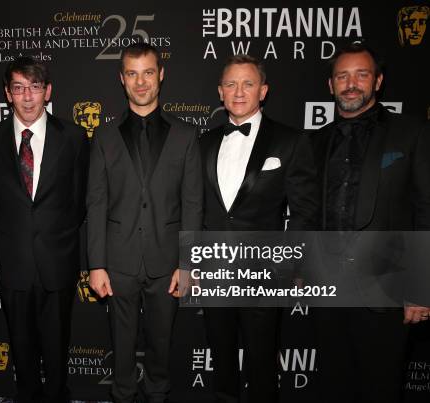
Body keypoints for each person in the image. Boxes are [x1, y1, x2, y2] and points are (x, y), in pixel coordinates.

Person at [310, 42, 430, 403]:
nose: (351, 84)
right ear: (330, 86)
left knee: (380, 389)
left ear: (377, 82)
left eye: (361, 75)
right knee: (332, 387)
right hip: (327, 290)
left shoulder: (412, 133)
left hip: (386, 290)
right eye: (342, 76)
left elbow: (426, 208)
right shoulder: (314, 142)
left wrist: (421, 288)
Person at [86, 42, 203, 403]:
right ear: (122, 79)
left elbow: (193, 203)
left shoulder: (185, 135)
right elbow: (96, 201)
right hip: (117, 262)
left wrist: (188, 262)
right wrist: (97, 264)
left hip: (166, 261)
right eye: (133, 74)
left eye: (148, 72)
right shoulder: (104, 135)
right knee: (121, 350)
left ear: (161, 75)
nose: (141, 82)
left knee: (161, 348)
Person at [199, 54, 318, 403]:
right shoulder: (203, 142)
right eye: (231, 84)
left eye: (248, 83)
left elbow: (304, 209)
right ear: (220, 92)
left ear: (263, 91)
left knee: (262, 361)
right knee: (220, 357)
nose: (239, 91)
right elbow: (195, 207)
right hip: (214, 270)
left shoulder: (290, 140)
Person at [0, 56, 88, 402]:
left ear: (48, 91)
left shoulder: (73, 137)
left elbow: (81, 200)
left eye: (35, 87)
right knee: (21, 353)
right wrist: (17, 232)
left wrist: (53, 233)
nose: (27, 97)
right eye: (19, 88)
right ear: (7, 93)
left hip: (58, 263)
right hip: (14, 263)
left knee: (57, 352)